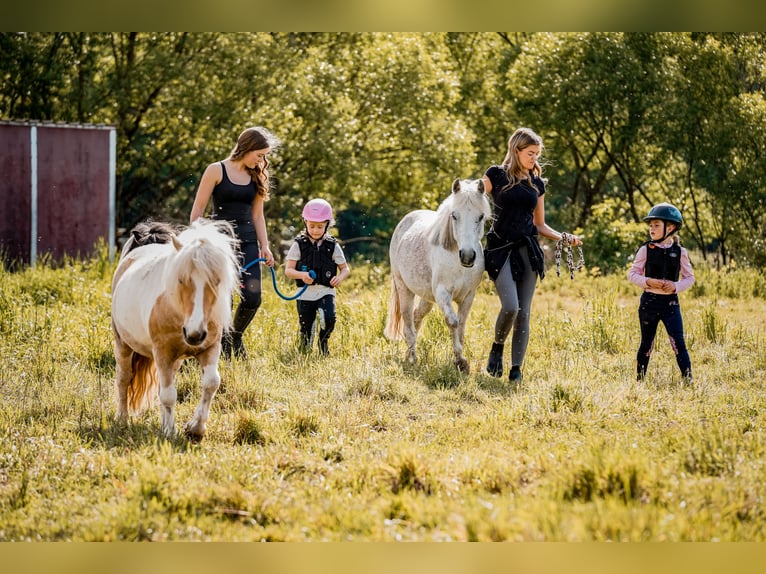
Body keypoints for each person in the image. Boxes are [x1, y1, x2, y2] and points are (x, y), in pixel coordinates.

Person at [481, 127, 582, 383]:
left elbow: (540, 225)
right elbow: (472, 198)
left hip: (528, 250)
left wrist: (564, 238)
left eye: (537, 154)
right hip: (500, 249)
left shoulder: (536, 183)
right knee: (511, 307)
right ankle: (497, 347)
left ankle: (516, 369)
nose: (534, 158)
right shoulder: (495, 174)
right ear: (516, 150)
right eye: (530, 153)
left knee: (524, 312)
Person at [190, 126, 281, 359]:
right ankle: (216, 345)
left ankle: (235, 337)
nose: (263, 160)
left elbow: (258, 215)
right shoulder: (216, 170)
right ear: (247, 148)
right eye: (259, 154)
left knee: (253, 298)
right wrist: (197, 240)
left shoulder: (257, 175)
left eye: (264, 156)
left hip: (248, 242)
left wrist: (265, 246)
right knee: (224, 298)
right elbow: (198, 210)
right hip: (220, 243)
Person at [628, 202, 695, 382]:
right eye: (650, 225)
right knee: (646, 343)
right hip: (649, 303)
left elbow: (690, 278)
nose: (652, 229)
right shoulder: (645, 250)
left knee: (678, 343)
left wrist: (676, 286)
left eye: (656, 225)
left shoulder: (680, 252)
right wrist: (647, 281)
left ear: (670, 227)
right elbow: (632, 274)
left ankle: (688, 381)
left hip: (671, 304)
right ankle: (639, 381)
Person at [284, 198, 351, 355]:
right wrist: (302, 275)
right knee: (306, 328)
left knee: (329, 319)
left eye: (320, 227)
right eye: (312, 226)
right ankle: (305, 346)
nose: (315, 230)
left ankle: (323, 342)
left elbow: (345, 269)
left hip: (325, 291)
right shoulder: (298, 245)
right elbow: (288, 270)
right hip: (304, 294)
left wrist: (340, 278)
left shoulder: (332, 246)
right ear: (305, 222)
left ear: (327, 224)